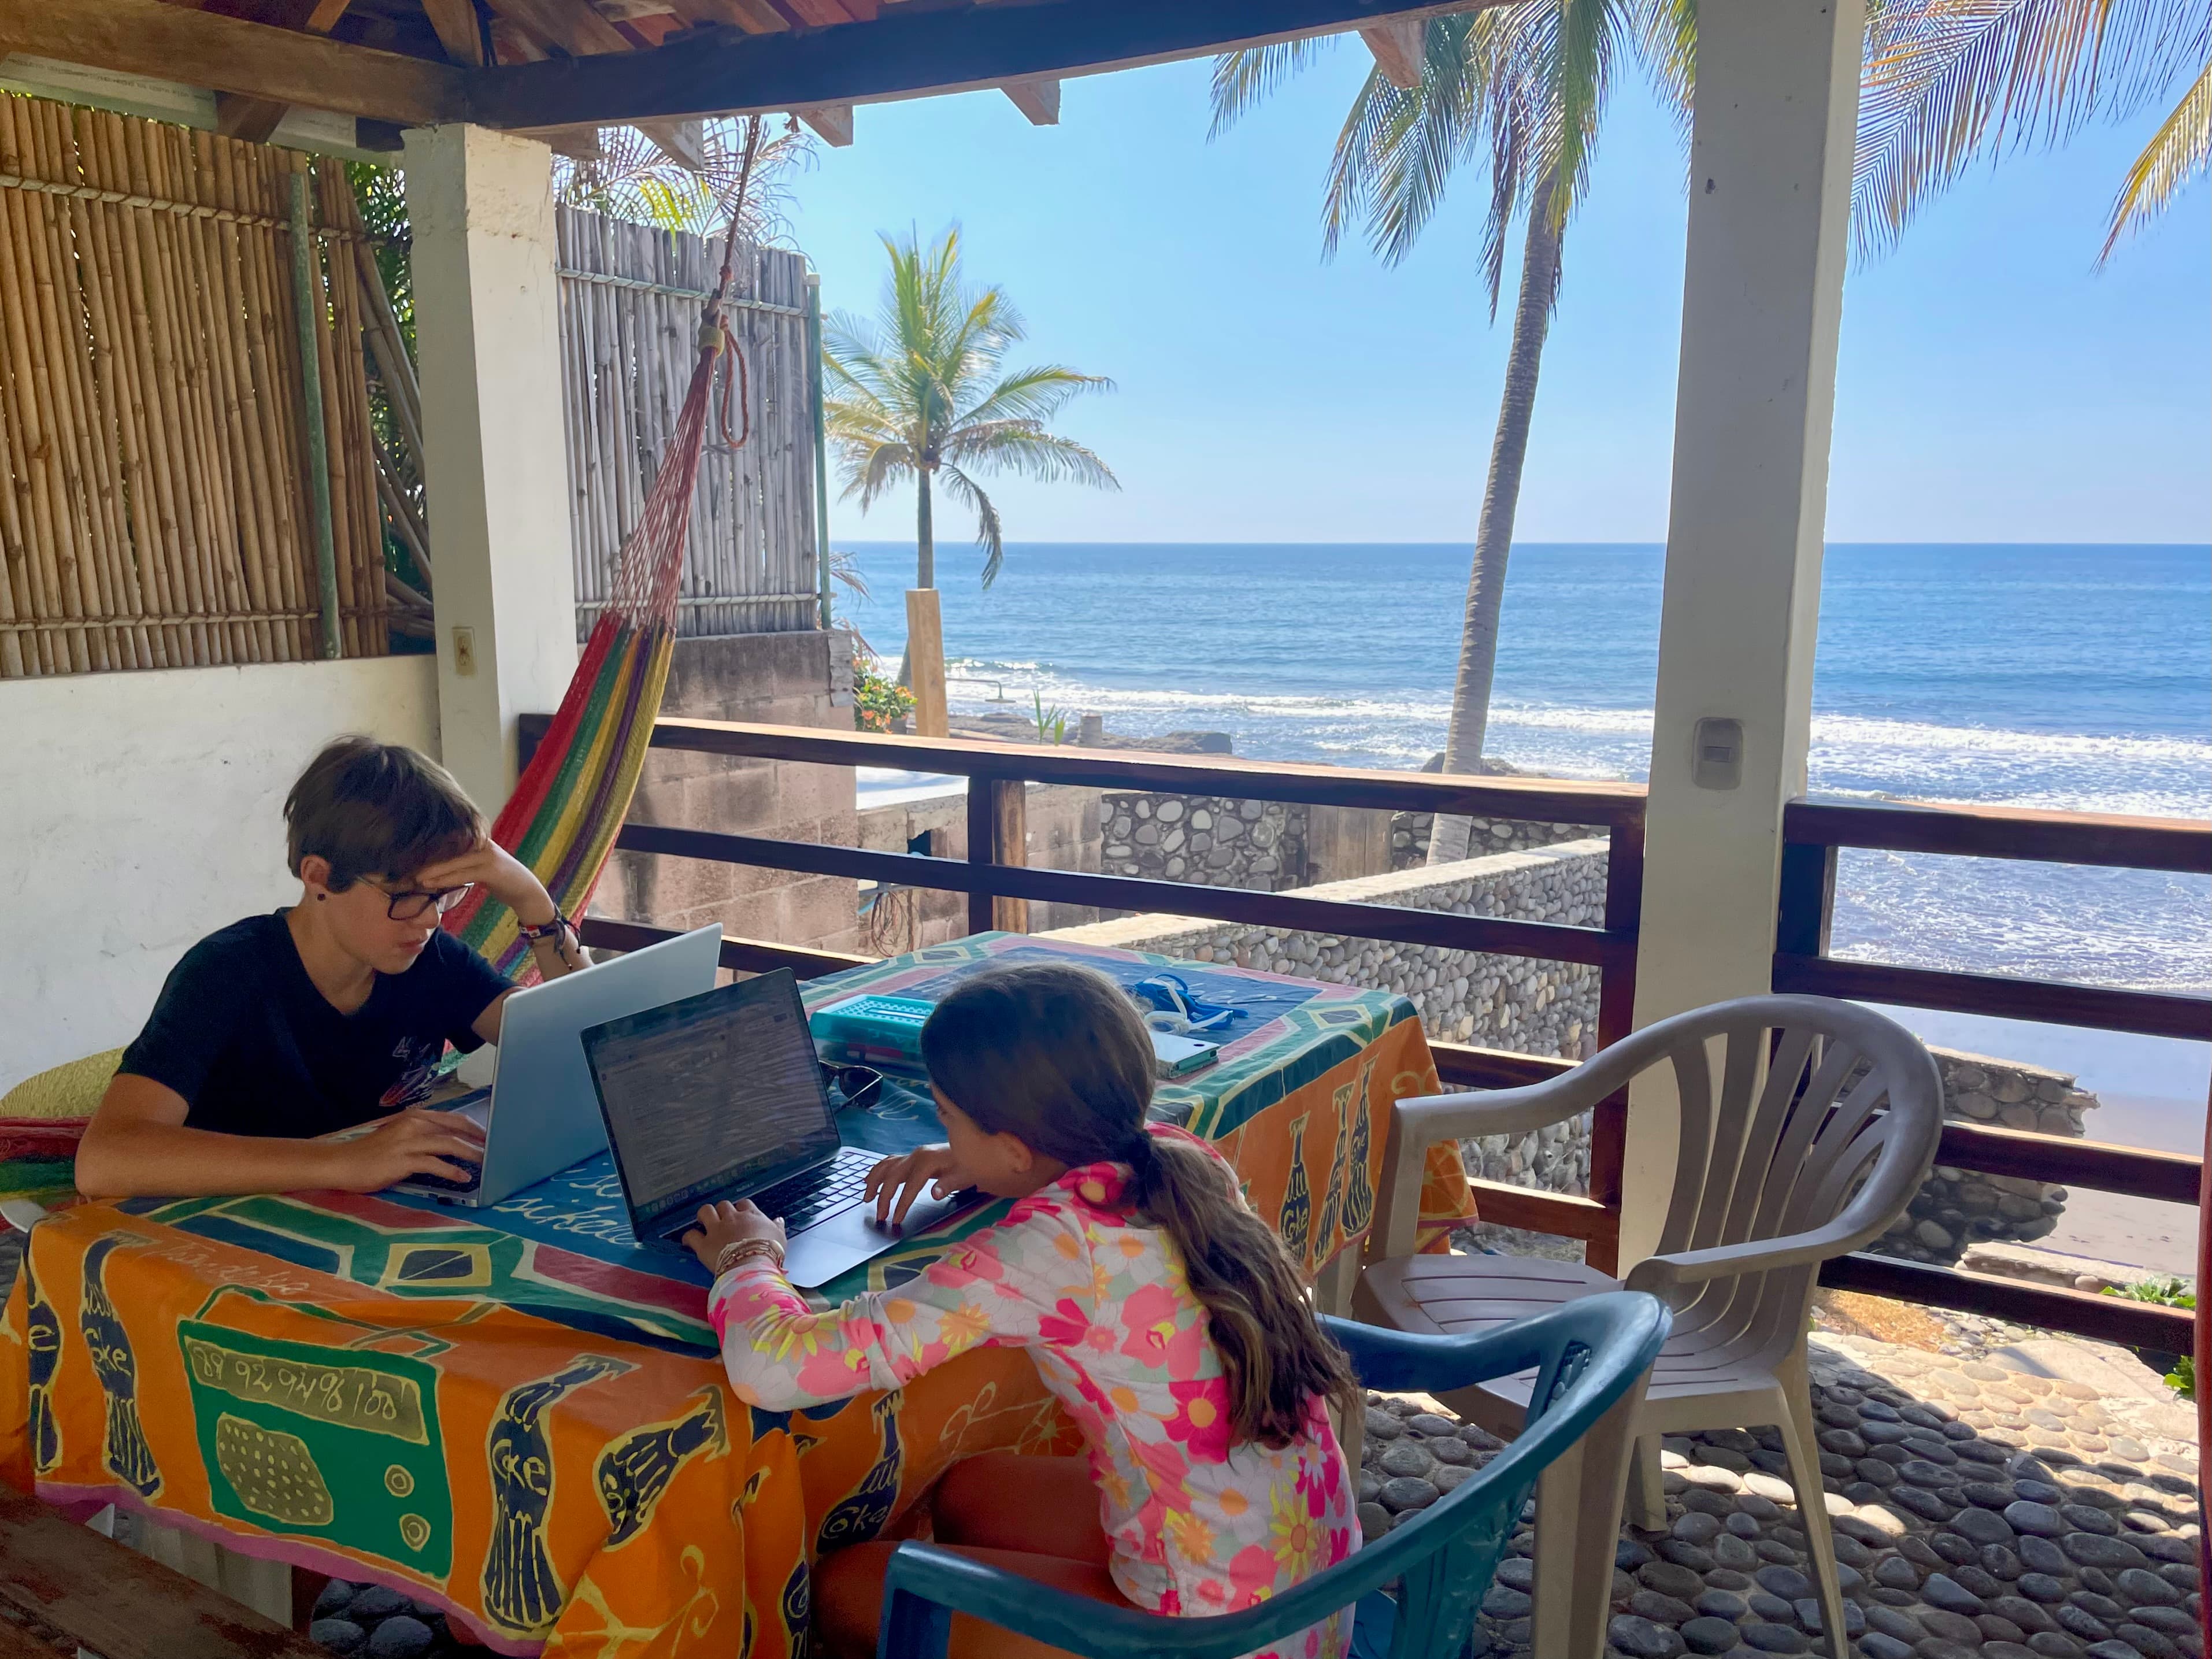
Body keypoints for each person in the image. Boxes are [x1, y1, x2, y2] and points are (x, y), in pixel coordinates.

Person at [683, 962, 1361, 1659]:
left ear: (1015, 1143)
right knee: (965, 1491)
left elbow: (770, 1368)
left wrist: (749, 1257)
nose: (940, 1124)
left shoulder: (1048, 1250)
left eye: (947, 1114)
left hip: (1209, 1636)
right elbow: (1077, 1227)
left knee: (846, 1587)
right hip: (1300, 1580)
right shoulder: (1183, 1160)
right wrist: (985, 1159)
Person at [75, 736, 588, 1201]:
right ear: (318, 877)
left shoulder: (429, 960)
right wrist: (343, 1161)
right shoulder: (229, 971)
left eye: (443, 895)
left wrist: (531, 900)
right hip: (227, 1228)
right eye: (406, 896)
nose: (431, 918)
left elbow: (584, 1041)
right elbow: (105, 1160)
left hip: (358, 1224)